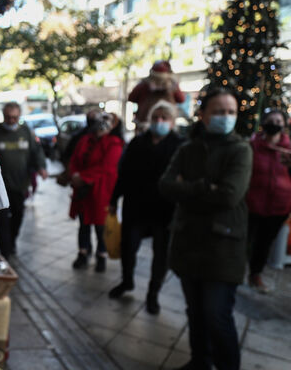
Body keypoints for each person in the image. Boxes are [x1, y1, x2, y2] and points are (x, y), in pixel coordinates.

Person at [159, 88, 251, 370]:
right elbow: (166, 185)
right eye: (219, 111)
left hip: (223, 246)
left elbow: (229, 195)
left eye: (231, 112)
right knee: (196, 311)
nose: (225, 117)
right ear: (203, 115)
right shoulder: (188, 148)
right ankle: (200, 361)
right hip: (189, 241)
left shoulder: (240, 149)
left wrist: (188, 189)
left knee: (216, 314)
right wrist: (203, 187)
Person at [108, 101, 184, 314]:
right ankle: (127, 281)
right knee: (128, 247)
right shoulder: (137, 143)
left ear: (171, 121)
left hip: (164, 210)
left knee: (161, 255)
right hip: (136, 206)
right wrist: (114, 199)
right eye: (156, 117)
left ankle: (153, 294)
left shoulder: (179, 145)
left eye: (164, 118)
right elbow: (124, 174)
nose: (159, 121)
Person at [0, 102, 48, 259]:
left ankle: (12, 241)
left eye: (14, 117)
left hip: (20, 183)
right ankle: (4, 250)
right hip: (0, 185)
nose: (11, 120)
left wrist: (41, 167)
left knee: (18, 215)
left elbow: (36, 151)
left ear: (19, 116)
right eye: (8, 117)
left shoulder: (26, 131)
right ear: (3, 116)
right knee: (2, 218)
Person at [68, 111, 124, 272]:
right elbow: (75, 159)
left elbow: (106, 167)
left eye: (109, 120)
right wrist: (74, 175)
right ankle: (83, 253)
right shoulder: (85, 139)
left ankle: (101, 255)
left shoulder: (114, 143)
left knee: (101, 227)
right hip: (83, 191)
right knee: (83, 223)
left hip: (101, 192)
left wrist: (82, 177)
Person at [245, 108, 291, 293]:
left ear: (284, 124)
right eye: (271, 120)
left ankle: (255, 274)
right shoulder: (253, 145)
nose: (275, 124)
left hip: (278, 206)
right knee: (245, 239)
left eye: (279, 121)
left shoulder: (288, 149)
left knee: (264, 243)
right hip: (252, 203)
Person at [129, 60, 185, 130]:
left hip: (167, 125)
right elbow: (131, 98)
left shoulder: (172, 86)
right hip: (144, 124)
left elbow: (181, 99)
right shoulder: (144, 85)